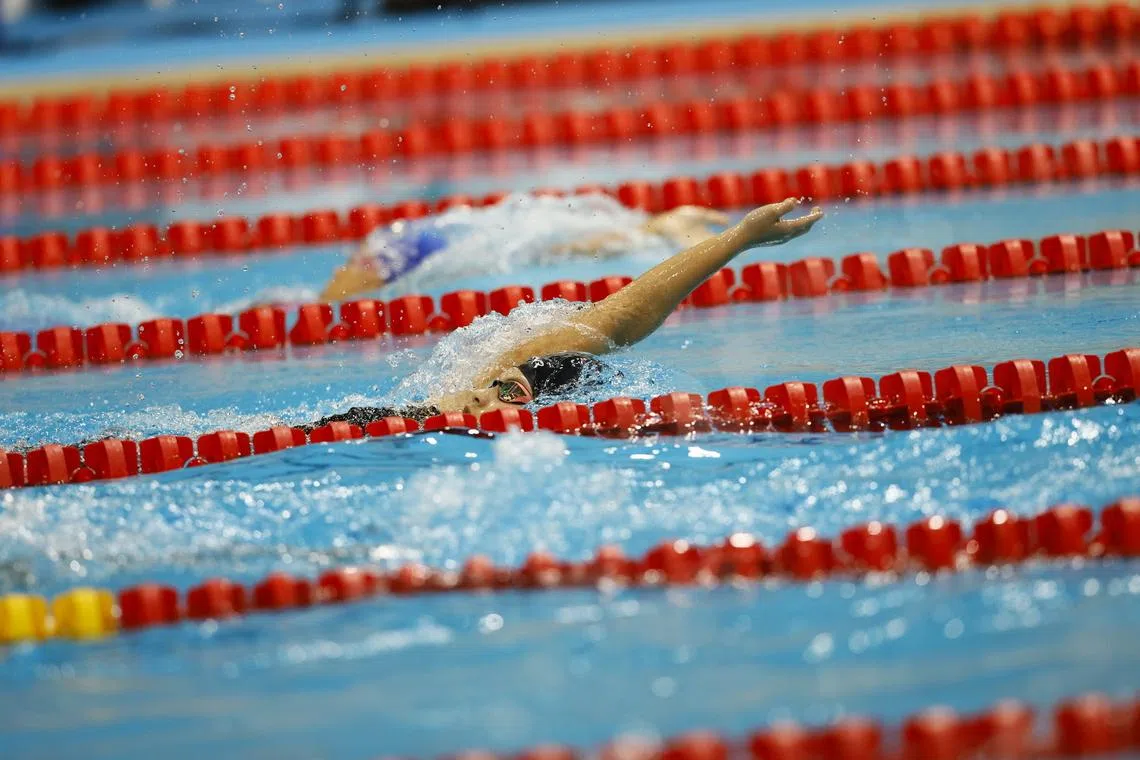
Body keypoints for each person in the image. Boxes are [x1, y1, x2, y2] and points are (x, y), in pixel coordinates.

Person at [309, 198, 821, 429]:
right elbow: (620, 318)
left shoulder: (458, 418)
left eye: (506, 394)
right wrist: (738, 239)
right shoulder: (466, 394)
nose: (483, 395)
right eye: (502, 385)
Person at [319, 195, 731, 302]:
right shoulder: (393, 242)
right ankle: (653, 228)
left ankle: (656, 228)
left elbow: (334, 299)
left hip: (414, 246)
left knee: (532, 249)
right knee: (534, 246)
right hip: (428, 239)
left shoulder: (391, 250)